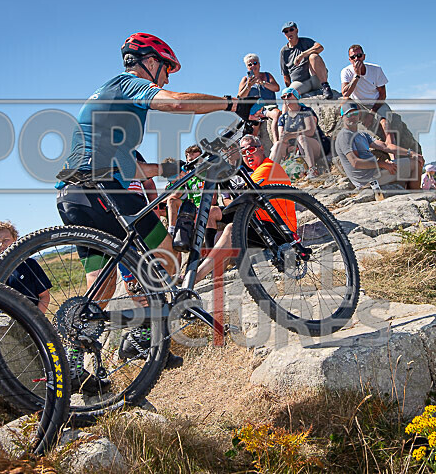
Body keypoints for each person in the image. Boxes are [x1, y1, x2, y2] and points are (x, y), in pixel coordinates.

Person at [57, 33, 236, 384]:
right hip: (101, 186)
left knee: (100, 286)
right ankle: (140, 340)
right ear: (150, 61)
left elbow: (133, 169)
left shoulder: (112, 113)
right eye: (166, 69)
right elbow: (177, 104)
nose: (167, 78)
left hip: (73, 193)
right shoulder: (126, 83)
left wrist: (173, 170)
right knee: (166, 259)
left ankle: (73, 366)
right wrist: (231, 104)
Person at [193, 135, 296, 284]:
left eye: (251, 149)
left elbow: (245, 197)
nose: (248, 155)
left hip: (280, 229)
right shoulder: (256, 171)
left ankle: (198, 275)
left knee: (230, 230)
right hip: (261, 223)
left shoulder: (267, 168)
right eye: (244, 152)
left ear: (261, 148)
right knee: (214, 216)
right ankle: (212, 265)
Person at [336, 102, 429, 191]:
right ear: (342, 117)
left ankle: (410, 192)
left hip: (375, 171)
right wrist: (382, 164)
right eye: (348, 114)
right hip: (368, 179)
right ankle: (416, 195)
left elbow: (386, 146)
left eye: (355, 113)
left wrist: (411, 153)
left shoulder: (362, 135)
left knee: (414, 161)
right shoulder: (345, 135)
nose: (352, 117)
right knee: (415, 164)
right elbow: (355, 162)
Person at [0, 221, 51, 314]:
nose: (2, 245)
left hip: (30, 320)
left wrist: (36, 320)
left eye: (6, 240)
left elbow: (44, 296)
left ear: (15, 238)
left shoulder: (30, 264)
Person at [164, 146, 223, 248]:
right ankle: (172, 231)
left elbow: (212, 200)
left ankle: (209, 250)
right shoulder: (188, 178)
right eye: (191, 161)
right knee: (171, 200)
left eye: (197, 161)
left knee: (208, 212)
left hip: (207, 207)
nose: (195, 165)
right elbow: (176, 195)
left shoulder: (209, 173)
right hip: (194, 209)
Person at [340, 45, 393, 144]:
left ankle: (392, 155)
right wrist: (356, 76)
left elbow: (382, 95)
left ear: (364, 56)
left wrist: (372, 113)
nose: (356, 59)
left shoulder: (376, 70)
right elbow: (345, 94)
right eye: (353, 57)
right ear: (349, 59)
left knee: (386, 126)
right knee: (344, 101)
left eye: (359, 56)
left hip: (376, 103)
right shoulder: (346, 72)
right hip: (359, 104)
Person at [273, 88, 325, 178]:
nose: (286, 98)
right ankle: (270, 172)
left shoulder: (306, 111)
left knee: (301, 138)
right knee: (278, 144)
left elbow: (310, 131)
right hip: (294, 151)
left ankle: (312, 169)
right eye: (283, 97)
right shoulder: (283, 118)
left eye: (288, 95)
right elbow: (282, 137)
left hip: (313, 146)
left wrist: (291, 135)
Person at [279, 22, 333, 100]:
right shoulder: (284, 51)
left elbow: (320, 47)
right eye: (286, 31)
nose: (289, 33)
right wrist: (291, 88)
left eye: (291, 30)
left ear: (296, 31)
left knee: (313, 56)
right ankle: (288, 111)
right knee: (286, 94)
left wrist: (303, 55)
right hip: (300, 83)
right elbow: (285, 74)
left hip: (315, 79)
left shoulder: (306, 41)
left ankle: (326, 87)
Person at [238, 53, 281, 143]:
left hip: (269, 107)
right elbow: (240, 97)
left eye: (255, 63)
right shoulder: (245, 80)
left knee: (276, 114)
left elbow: (276, 88)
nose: (253, 66)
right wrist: (248, 86)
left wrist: (262, 83)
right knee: (253, 131)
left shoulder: (267, 75)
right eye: (250, 64)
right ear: (247, 67)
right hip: (255, 111)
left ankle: (277, 143)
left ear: (259, 64)